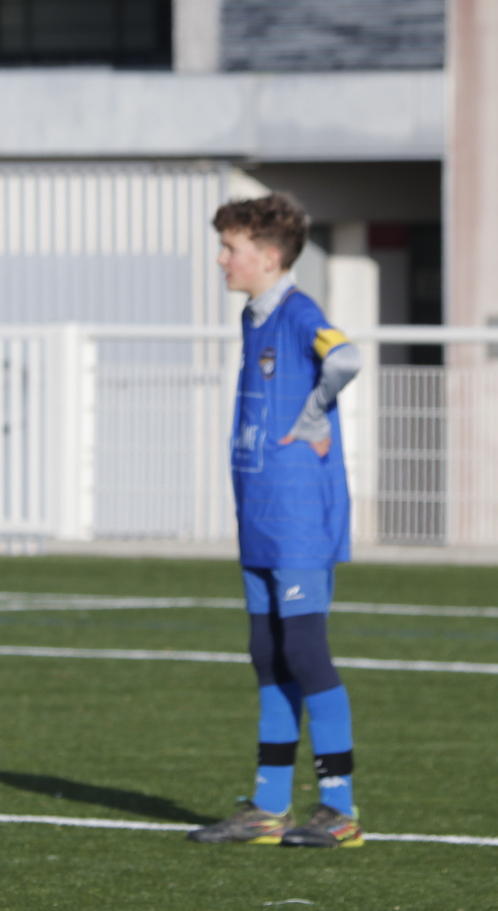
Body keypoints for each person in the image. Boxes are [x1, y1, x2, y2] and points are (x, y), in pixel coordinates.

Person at [187, 192, 365, 849]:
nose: (221, 259)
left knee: (306, 651)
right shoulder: (253, 315)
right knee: (267, 654)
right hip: (260, 514)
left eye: (230, 248)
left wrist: (312, 419)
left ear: (267, 256)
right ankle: (268, 807)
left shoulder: (297, 311)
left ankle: (339, 808)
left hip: (298, 515)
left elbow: (345, 357)